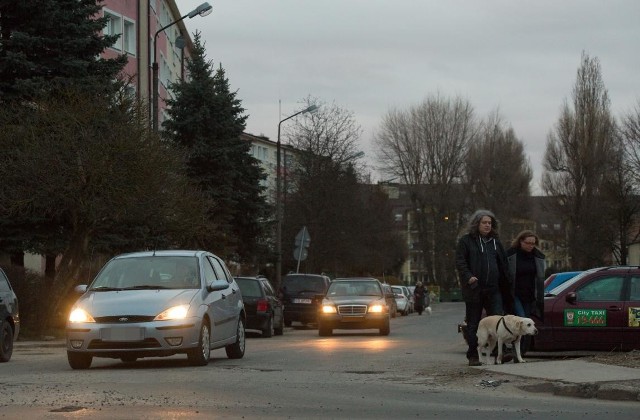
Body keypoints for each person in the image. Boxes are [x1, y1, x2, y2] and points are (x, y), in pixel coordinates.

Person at [455, 209, 512, 366]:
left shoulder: (495, 243)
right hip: (474, 288)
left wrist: (506, 283)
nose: (487, 225)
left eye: (490, 223)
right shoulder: (466, 241)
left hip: (494, 288)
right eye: (484, 222)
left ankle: (501, 352)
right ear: (477, 224)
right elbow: (460, 262)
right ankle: (473, 354)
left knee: (498, 319)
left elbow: (503, 265)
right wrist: (468, 277)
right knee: (474, 322)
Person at [506, 230, 545, 354]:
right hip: (515, 293)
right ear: (521, 241)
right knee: (522, 320)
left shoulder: (537, 256)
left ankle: (521, 351)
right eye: (528, 243)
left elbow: (539, 277)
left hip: (529, 295)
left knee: (527, 324)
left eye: (533, 243)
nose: (530, 246)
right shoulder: (511, 255)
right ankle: (515, 349)